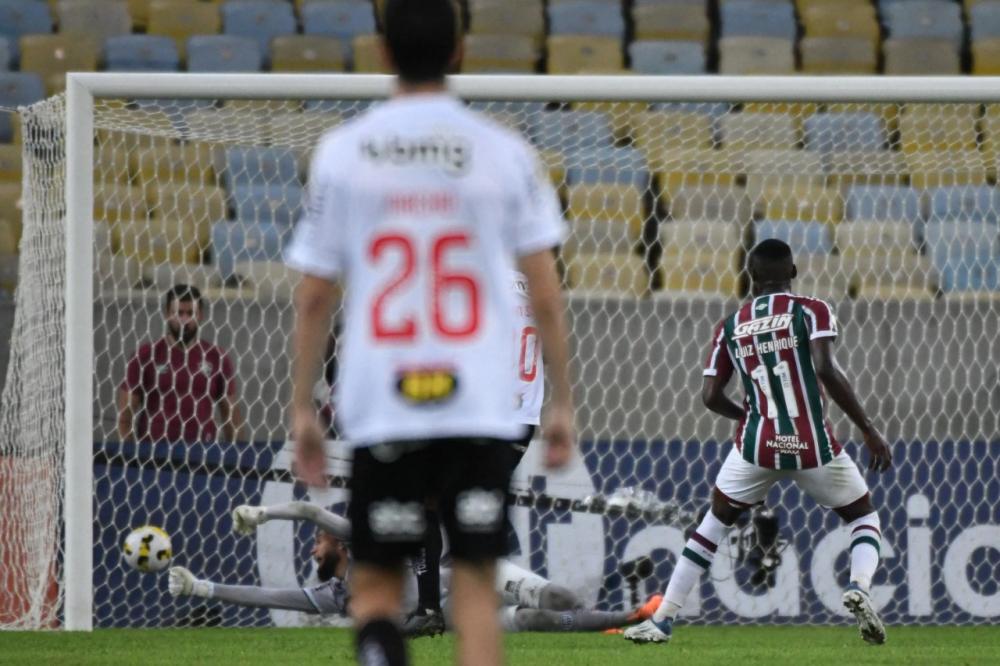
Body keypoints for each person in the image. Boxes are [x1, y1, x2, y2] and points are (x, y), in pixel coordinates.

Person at [283, 1, 575, 664]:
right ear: (460, 52)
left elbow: (313, 297)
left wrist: (303, 405)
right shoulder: (505, 152)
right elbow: (549, 296)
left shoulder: (344, 151)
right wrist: (562, 400)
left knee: (379, 585)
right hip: (477, 403)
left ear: (381, 53)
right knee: (473, 588)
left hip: (385, 401)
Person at [624, 239, 893, 646]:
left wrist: (748, 417)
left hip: (756, 445)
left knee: (711, 526)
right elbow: (826, 368)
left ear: (749, 278)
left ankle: (661, 620)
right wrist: (868, 429)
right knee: (863, 518)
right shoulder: (812, 310)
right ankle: (858, 586)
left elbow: (711, 396)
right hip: (812, 443)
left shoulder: (730, 325)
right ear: (794, 272)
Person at [166, 502, 658, 633]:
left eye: (316, 545)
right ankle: (628, 621)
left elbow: (314, 513)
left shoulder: (370, 540)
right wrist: (202, 589)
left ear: (337, 543)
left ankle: (605, 616)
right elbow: (267, 598)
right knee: (538, 620)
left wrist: (264, 514)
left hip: (474, 575)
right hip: (464, 617)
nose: (313, 552)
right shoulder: (337, 598)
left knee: (560, 601)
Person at [403, 270, 544, 637]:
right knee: (467, 512)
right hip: (524, 417)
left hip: (485, 414)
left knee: (429, 505)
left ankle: (432, 608)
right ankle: (458, 607)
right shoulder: (532, 284)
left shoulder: (478, 278)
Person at [117, 284, 242, 444]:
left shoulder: (217, 357)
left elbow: (230, 416)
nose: (184, 320)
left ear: (200, 315)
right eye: (178, 313)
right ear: (167, 314)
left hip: (204, 456)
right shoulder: (145, 356)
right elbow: (125, 416)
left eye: (190, 313)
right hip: (154, 457)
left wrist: (236, 459)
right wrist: (131, 459)